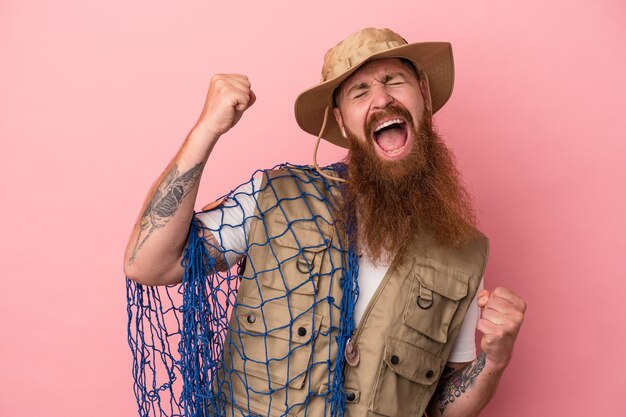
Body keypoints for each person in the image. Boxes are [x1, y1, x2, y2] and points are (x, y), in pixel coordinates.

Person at [124, 27, 526, 417]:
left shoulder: (463, 251)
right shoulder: (272, 196)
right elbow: (149, 264)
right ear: (340, 118)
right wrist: (207, 129)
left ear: (423, 92)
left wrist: (493, 361)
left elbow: (443, 407)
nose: (382, 99)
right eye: (360, 91)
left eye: (393, 80)